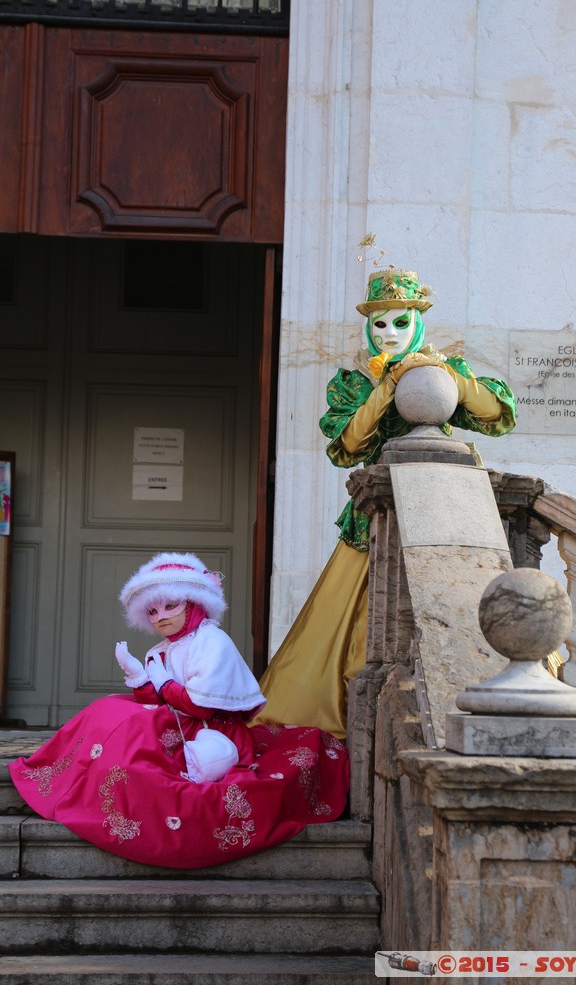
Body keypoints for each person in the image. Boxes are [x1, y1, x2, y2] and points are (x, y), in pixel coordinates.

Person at [254, 268, 517, 740]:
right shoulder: (352, 383)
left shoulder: (437, 369)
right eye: (380, 324)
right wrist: (386, 389)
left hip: (442, 515)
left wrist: (446, 377)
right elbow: (349, 446)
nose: (389, 333)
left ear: (417, 323)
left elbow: (498, 415)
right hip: (375, 520)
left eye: (400, 322)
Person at [10, 553, 349, 869]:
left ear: (195, 604)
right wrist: (140, 675)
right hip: (176, 722)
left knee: (131, 728)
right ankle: (66, 778)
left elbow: (200, 703)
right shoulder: (163, 649)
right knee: (108, 708)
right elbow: (157, 699)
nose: (161, 618)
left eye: (170, 606)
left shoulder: (212, 642)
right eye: (153, 612)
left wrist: (159, 681)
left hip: (210, 730)